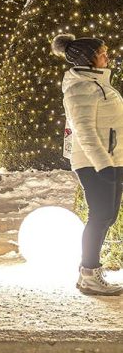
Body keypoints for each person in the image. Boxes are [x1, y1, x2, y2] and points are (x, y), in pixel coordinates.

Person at [53, 33, 123, 296]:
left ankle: (90, 273)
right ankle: (89, 273)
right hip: (96, 163)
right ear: (87, 59)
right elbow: (85, 132)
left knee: (107, 215)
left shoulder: (97, 82)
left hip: (111, 159)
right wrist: (104, 165)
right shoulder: (81, 88)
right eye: (102, 53)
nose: (107, 56)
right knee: (100, 215)